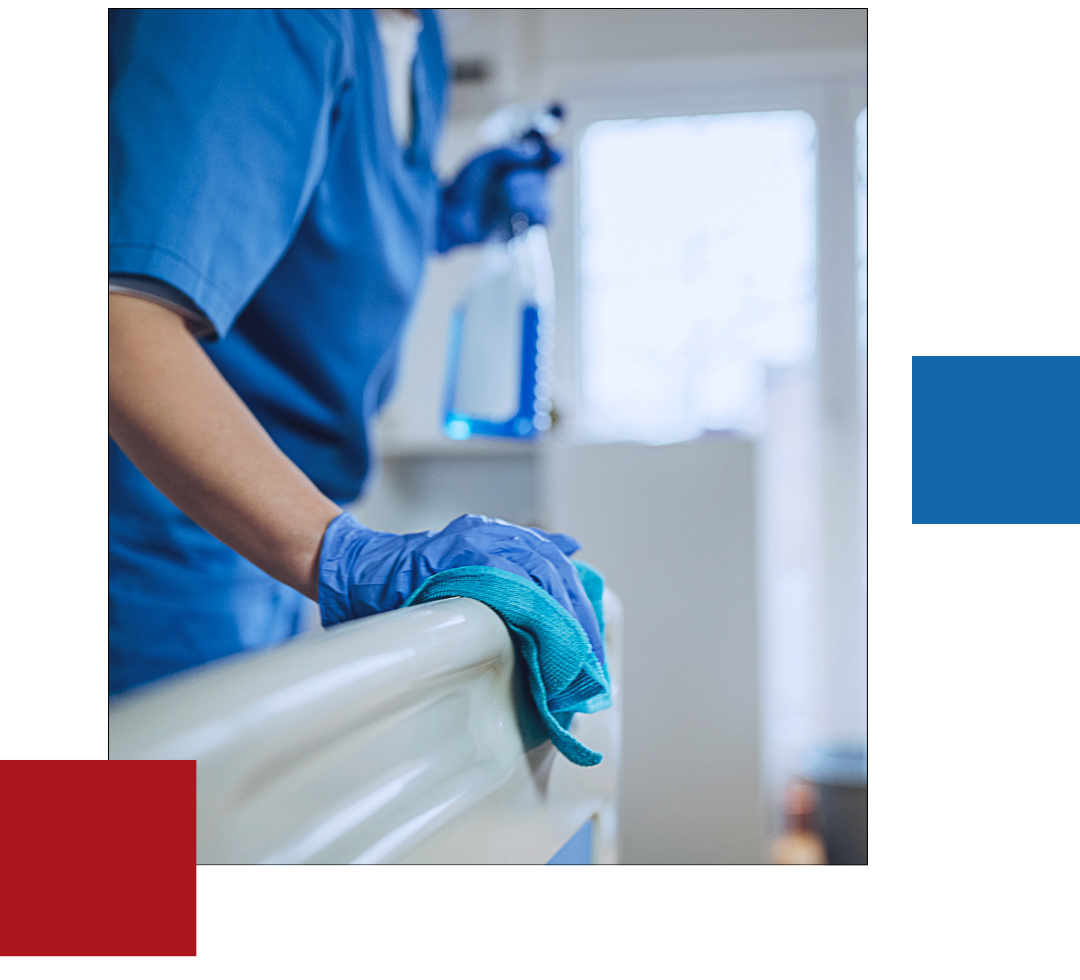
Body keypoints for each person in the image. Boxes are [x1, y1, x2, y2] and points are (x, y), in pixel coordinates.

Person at [109, 9, 600, 696]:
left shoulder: (416, 37)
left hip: (260, 532)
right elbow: (123, 321)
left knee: (229, 801)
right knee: (101, 806)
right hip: (143, 537)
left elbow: (281, 215)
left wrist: (438, 215)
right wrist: (345, 554)